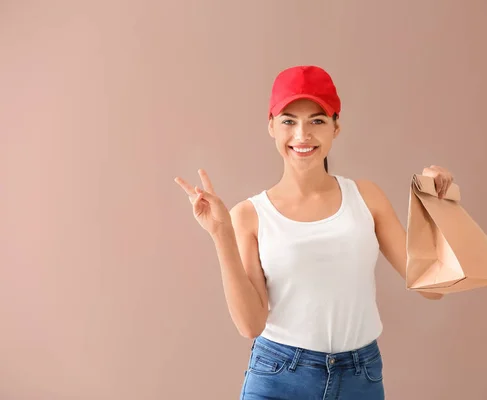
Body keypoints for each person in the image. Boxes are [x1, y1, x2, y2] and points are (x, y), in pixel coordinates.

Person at [174, 65, 454, 400]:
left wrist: (436, 207)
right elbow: (250, 325)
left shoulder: (367, 198)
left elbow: (433, 289)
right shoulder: (250, 215)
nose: (302, 135)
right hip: (279, 377)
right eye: (289, 121)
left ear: (336, 126)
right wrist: (221, 234)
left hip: (359, 377)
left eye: (317, 121)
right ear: (271, 127)